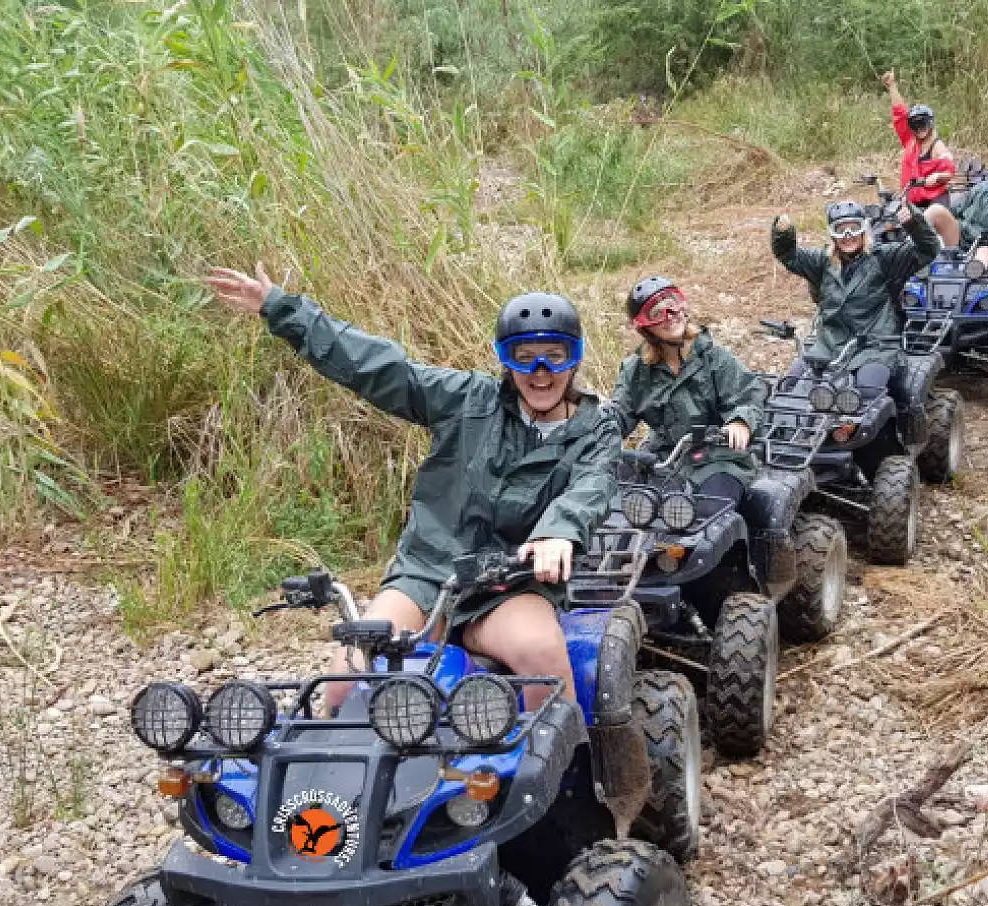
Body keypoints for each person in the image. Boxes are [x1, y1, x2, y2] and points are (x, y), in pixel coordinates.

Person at [206, 265, 620, 712]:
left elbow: (592, 485)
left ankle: (578, 773)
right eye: (525, 357)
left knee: (543, 660)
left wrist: (556, 531)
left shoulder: (596, 429)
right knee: (347, 676)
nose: (540, 373)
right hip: (428, 575)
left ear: (574, 359)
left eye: (554, 356)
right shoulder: (467, 400)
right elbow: (378, 368)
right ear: (505, 360)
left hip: (511, 585)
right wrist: (283, 309)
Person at [610, 276, 765, 509]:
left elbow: (747, 395)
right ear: (645, 327)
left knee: (710, 518)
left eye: (673, 305)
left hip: (718, 458)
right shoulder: (636, 370)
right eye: (658, 312)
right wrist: (593, 426)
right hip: (663, 460)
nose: (670, 315)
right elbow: (620, 413)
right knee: (620, 511)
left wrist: (741, 422)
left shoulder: (714, 357)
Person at [770, 198, 941, 365]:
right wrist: (783, 233)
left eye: (853, 228)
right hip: (829, 346)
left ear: (863, 230)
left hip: (876, 347)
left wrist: (914, 223)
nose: (848, 235)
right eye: (841, 230)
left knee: (868, 388)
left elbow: (927, 250)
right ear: (832, 234)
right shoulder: (822, 261)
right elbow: (789, 256)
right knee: (794, 380)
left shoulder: (883, 257)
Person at [882, 68, 956, 208]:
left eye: (923, 123)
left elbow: (949, 171)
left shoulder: (937, 147)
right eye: (915, 124)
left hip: (934, 200)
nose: (920, 128)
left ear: (930, 123)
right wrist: (892, 86)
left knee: (935, 224)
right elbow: (900, 112)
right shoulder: (911, 141)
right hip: (912, 201)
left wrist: (937, 177)